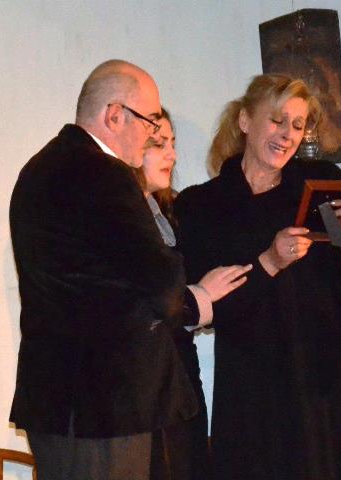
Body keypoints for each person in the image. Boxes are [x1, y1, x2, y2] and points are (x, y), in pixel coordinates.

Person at [9, 59, 246, 480]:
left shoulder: (39, 167)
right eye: (150, 120)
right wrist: (197, 297)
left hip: (59, 400)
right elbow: (163, 284)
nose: (153, 133)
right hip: (104, 405)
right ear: (114, 115)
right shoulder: (105, 173)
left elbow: (100, 283)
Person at [174, 74, 341, 480]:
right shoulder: (202, 205)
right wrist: (269, 261)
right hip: (254, 394)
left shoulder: (320, 184)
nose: (288, 134)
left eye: (298, 124)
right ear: (244, 121)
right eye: (277, 120)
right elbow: (204, 305)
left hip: (325, 388)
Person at [136, 108, 245, 480]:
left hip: (182, 374)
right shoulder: (123, 218)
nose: (172, 154)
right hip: (144, 384)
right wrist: (198, 296)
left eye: (173, 143)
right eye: (158, 144)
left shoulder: (174, 212)